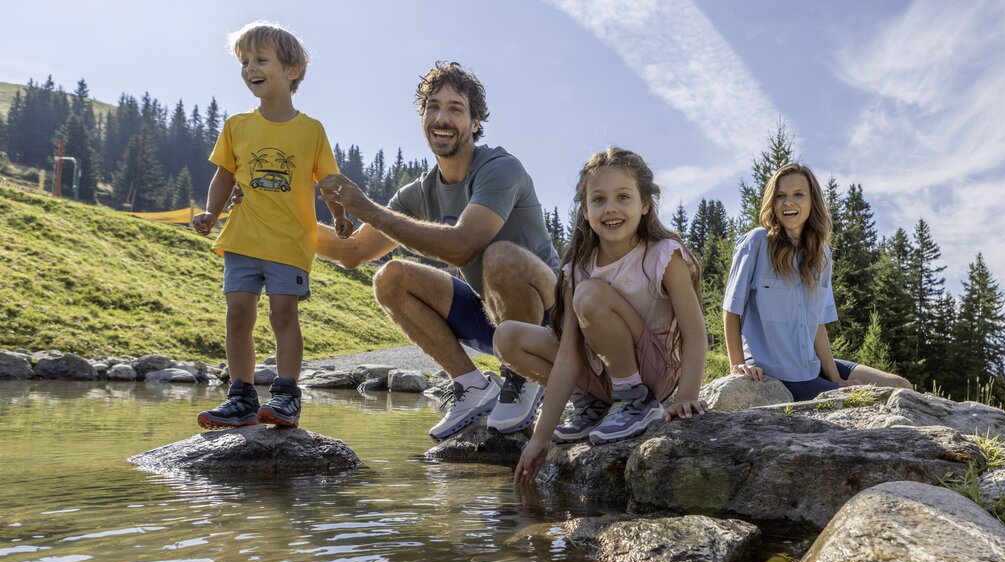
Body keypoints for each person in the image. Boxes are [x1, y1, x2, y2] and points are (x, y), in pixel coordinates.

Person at [313, 61, 560, 441]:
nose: (441, 117)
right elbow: (353, 252)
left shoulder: (500, 168)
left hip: (548, 318)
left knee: (500, 256)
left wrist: (369, 209)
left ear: (475, 122)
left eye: (455, 109)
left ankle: (524, 377)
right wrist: (271, 221)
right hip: (492, 318)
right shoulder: (419, 192)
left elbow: (463, 247)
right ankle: (472, 386)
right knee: (390, 278)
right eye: (432, 107)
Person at [501, 147, 708, 485]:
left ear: (644, 205)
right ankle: (594, 405)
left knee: (592, 295)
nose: (610, 208)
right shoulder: (577, 269)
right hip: (603, 374)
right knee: (507, 337)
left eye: (623, 197)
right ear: (585, 210)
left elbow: (694, 332)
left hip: (653, 369)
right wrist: (541, 437)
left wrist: (686, 397)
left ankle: (636, 402)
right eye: (598, 200)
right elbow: (569, 354)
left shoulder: (663, 256)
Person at [191, 21, 352, 430]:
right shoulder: (237, 126)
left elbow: (328, 183)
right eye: (244, 62)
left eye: (260, 60)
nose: (250, 69)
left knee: (284, 316)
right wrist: (211, 211)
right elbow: (224, 176)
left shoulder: (311, 130)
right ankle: (241, 397)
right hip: (242, 237)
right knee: (237, 315)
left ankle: (285, 396)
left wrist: (340, 217)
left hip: (290, 242)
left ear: (292, 70)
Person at [722, 162, 909, 401]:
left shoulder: (822, 255)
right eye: (781, 196)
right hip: (778, 375)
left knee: (901, 386)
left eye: (798, 194)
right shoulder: (756, 242)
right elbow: (731, 310)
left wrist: (837, 380)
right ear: (773, 202)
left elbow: (817, 325)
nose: (788, 202)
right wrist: (737, 366)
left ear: (812, 201)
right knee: (869, 403)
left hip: (812, 365)